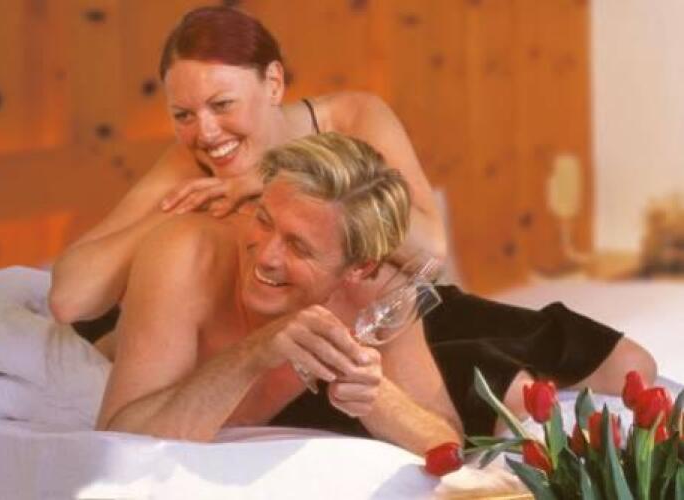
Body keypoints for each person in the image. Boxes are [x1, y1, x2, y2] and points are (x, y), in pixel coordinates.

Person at [52, 6, 656, 437]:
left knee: (630, 367)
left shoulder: (353, 120)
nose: (204, 131)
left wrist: (283, 188)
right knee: (516, 395)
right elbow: (71, 298)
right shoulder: (190, 171)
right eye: (182, 113)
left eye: (221, 105)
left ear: (273, 83)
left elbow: (431, 255)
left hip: (386, 289)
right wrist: (181, 207)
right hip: (296, 307)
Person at [95, 132, 462, 456]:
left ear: (360, 268)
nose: (266, 257)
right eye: (263, 220)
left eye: (299, 247)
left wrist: (377, 397)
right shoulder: (185, 256)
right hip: (117, 363)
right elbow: (120, 442)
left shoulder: (378, 294)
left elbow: (448, 444)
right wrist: (256, 352)